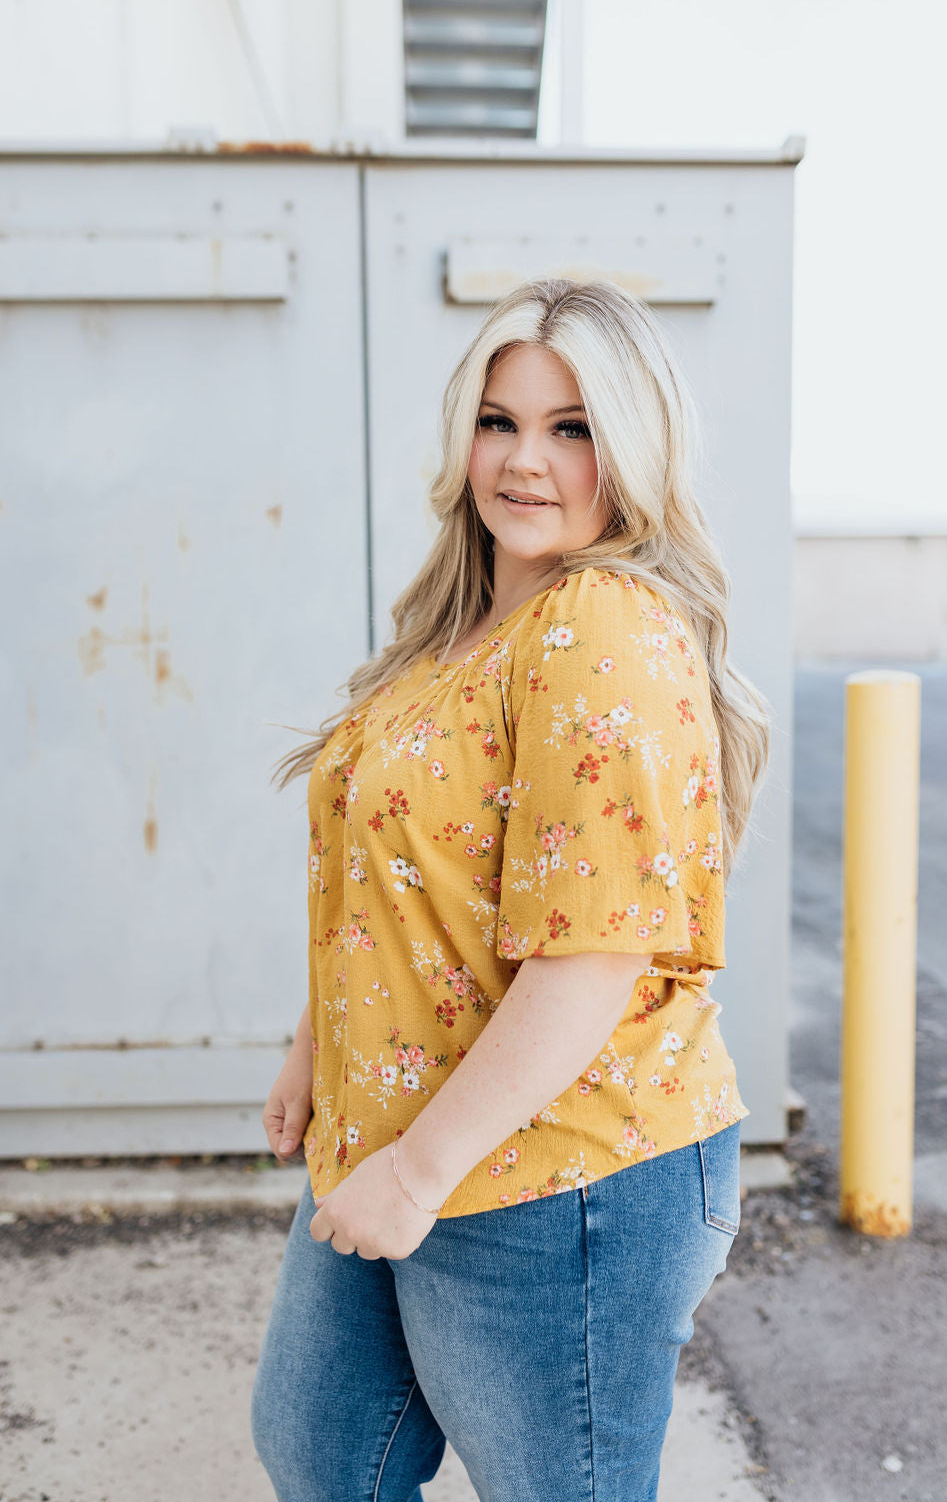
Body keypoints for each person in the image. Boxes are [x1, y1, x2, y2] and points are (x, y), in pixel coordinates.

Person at [250, 276, 772, 1502]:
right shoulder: (463, 631)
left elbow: (593, 956)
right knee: (322, 1450)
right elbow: (399, 879)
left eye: (571, 427)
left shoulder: (604, 626)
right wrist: (316, 1045)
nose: (525, 461)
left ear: (632, 449)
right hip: (398, 1137)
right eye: (499, 421)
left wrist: (419, 1173)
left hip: (561, 1176)